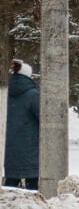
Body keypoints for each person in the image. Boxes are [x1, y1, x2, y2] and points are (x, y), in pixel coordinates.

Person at [4, 59, 40, 190]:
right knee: (32, 185)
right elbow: (42, 118)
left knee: (11, 184)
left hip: (9, 146)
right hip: (30, 148)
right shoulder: (33, 95)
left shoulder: (5, 92)